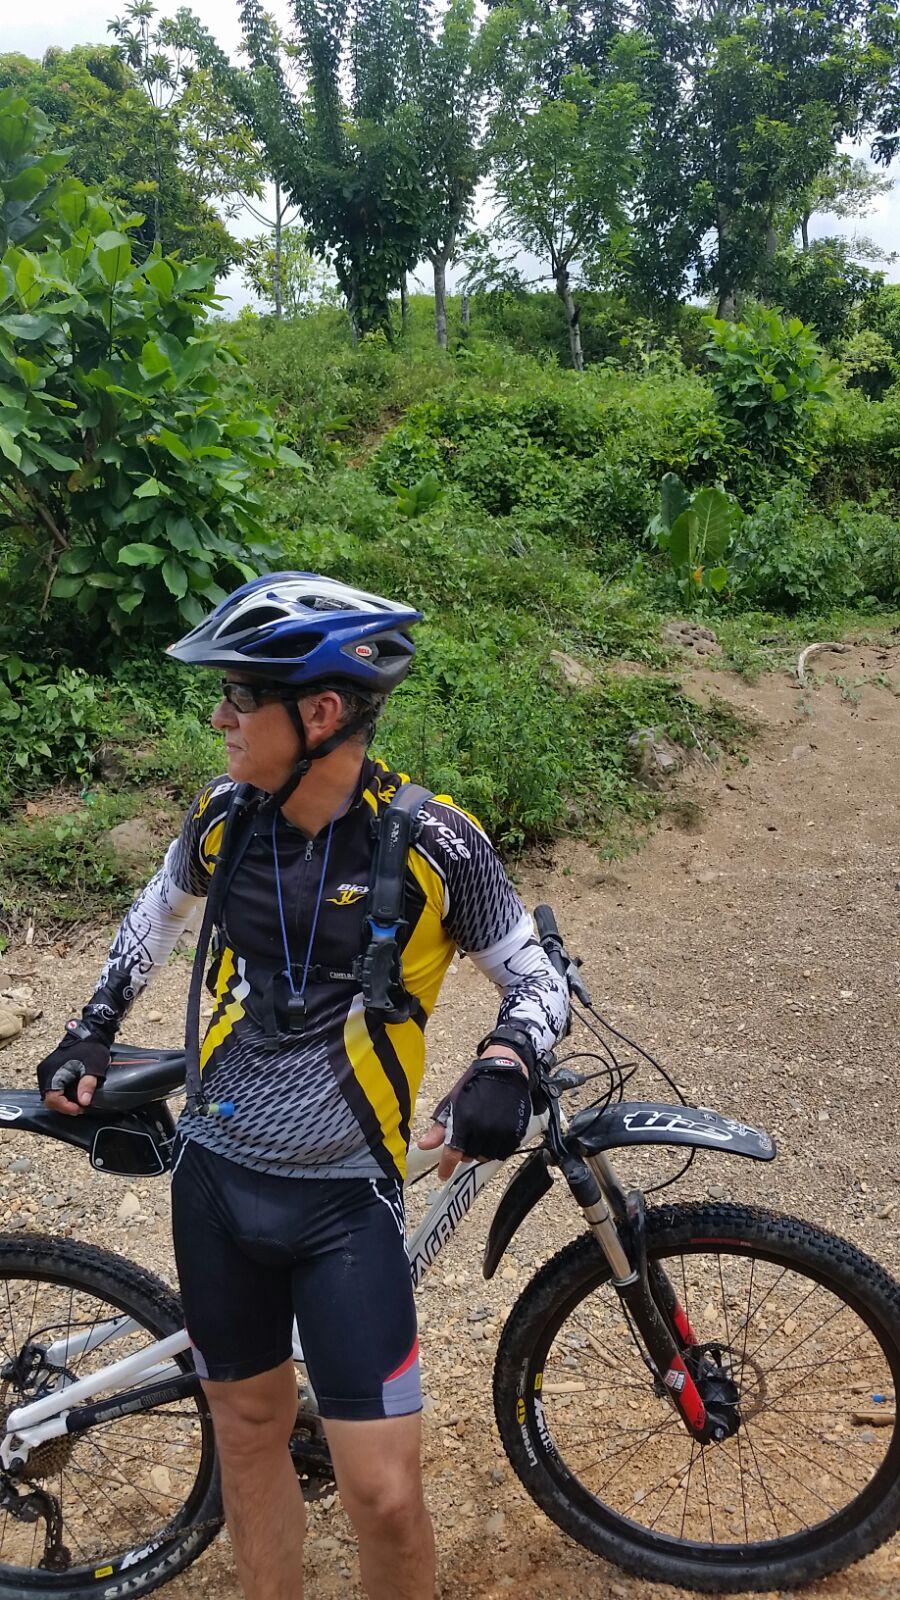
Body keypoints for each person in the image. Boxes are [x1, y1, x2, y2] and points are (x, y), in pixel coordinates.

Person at [36, 573, 569, 1600]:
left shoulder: (433, 840)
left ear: (320, 712)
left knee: (383, 1491)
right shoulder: (225, 819)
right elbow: (153, 918)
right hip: (218, 1186)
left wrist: (506, 1058)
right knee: (247, 1437)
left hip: (342, 1205)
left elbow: (537, 975)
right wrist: (90, 1026)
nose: (220, 715)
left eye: (241, 693)